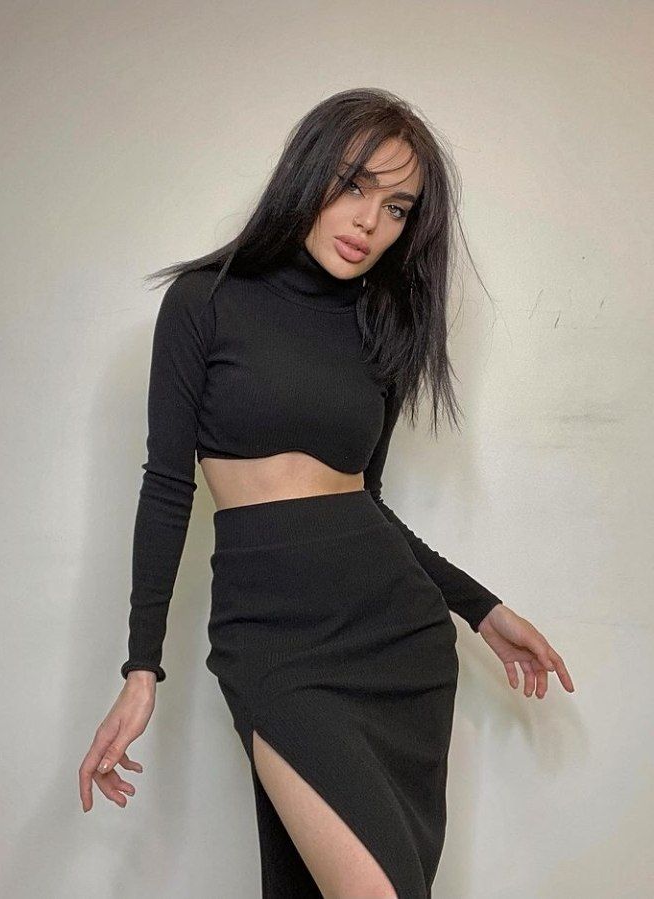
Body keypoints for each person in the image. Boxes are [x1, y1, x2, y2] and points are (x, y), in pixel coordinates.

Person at [79, 87, 575, 898]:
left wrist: (480, 608)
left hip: (395, 637)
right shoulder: (205, 301)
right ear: (308, 174)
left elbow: (362, 500)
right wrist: (142, 666)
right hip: (272, 638)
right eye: (354, 186)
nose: (369, 221)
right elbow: (167, 487)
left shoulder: (382, 327)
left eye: (397, 207)